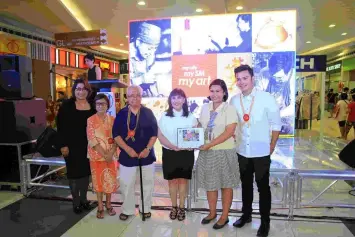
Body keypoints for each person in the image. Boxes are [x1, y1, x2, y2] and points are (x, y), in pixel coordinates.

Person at [230, 65, 281, 237]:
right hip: (242, 151)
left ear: (252, 78)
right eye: (238, 79)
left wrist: (272, 145)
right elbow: (232, 124)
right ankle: (246, 215)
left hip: (261, 151)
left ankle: (265, 222)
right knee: (245, 186)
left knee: (263, 187)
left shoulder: (266, 98)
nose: (241, 82)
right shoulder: (234, 101)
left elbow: (276, 124)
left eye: (245, 78)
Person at [196, 79, 239, 230]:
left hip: (224, 152)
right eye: (212, 91)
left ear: (224, 92)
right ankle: (212, 212)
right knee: (210, 184)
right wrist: (192, 136)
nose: (214, 94)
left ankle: (224, 216)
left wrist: (210, 144)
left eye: (218, 91)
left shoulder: (229, 109)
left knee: (226, 185)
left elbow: (229, 132)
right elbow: (200, 126)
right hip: (206, 152)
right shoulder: (205, 107)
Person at [112, 85, 158, 221]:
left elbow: (154, 134)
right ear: (127, 97)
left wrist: (147, 149)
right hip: (127, 156)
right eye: (131, 95)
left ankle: (145, 209)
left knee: (148, 184)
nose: (135, 98)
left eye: (137, 95)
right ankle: (127, 209)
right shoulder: (121, 113)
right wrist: (128, 149)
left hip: (146, 155)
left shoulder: (148, 112)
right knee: (126, 184)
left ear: (141, 97)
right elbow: (116, 135)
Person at [57, 79, 96, 214]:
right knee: (74, 175)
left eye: (83, 89)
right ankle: (76, 202)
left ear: (88, 91)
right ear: (74, 90)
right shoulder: (67, 105)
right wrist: (63, 145)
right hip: (71, 146)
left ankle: (84, 200)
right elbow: (60, 127)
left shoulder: (92, 105)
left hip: (88, 145)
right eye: (78, 89)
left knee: (85, 174)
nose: (81, 92)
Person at [158, 88, 197, 221]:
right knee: (172, 182)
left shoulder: (190, 116)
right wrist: (172, 146)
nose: (176, 100)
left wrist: (193, 144)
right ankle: (173, 207)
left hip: (186, 154)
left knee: (183, 181)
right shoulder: (164, 116)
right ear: (170, 100)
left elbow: (195, 134)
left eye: (179, 97)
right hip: (169, 152)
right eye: (173, 98)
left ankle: (181, 207)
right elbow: (160, 135)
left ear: (184, 100)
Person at [87, 94, 119, 219]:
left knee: (110, 180)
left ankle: (109, 204)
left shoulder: (113, 120)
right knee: (98, 181)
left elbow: (117, 137)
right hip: (96, 156)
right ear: (95, 105)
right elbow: (92, 139)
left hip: (111, 156)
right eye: (98, 104)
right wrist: (104, 154)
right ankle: (100, 206)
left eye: (103, 104)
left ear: (107, 105)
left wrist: (110, 153)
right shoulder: (90, 120)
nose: (101, 106)